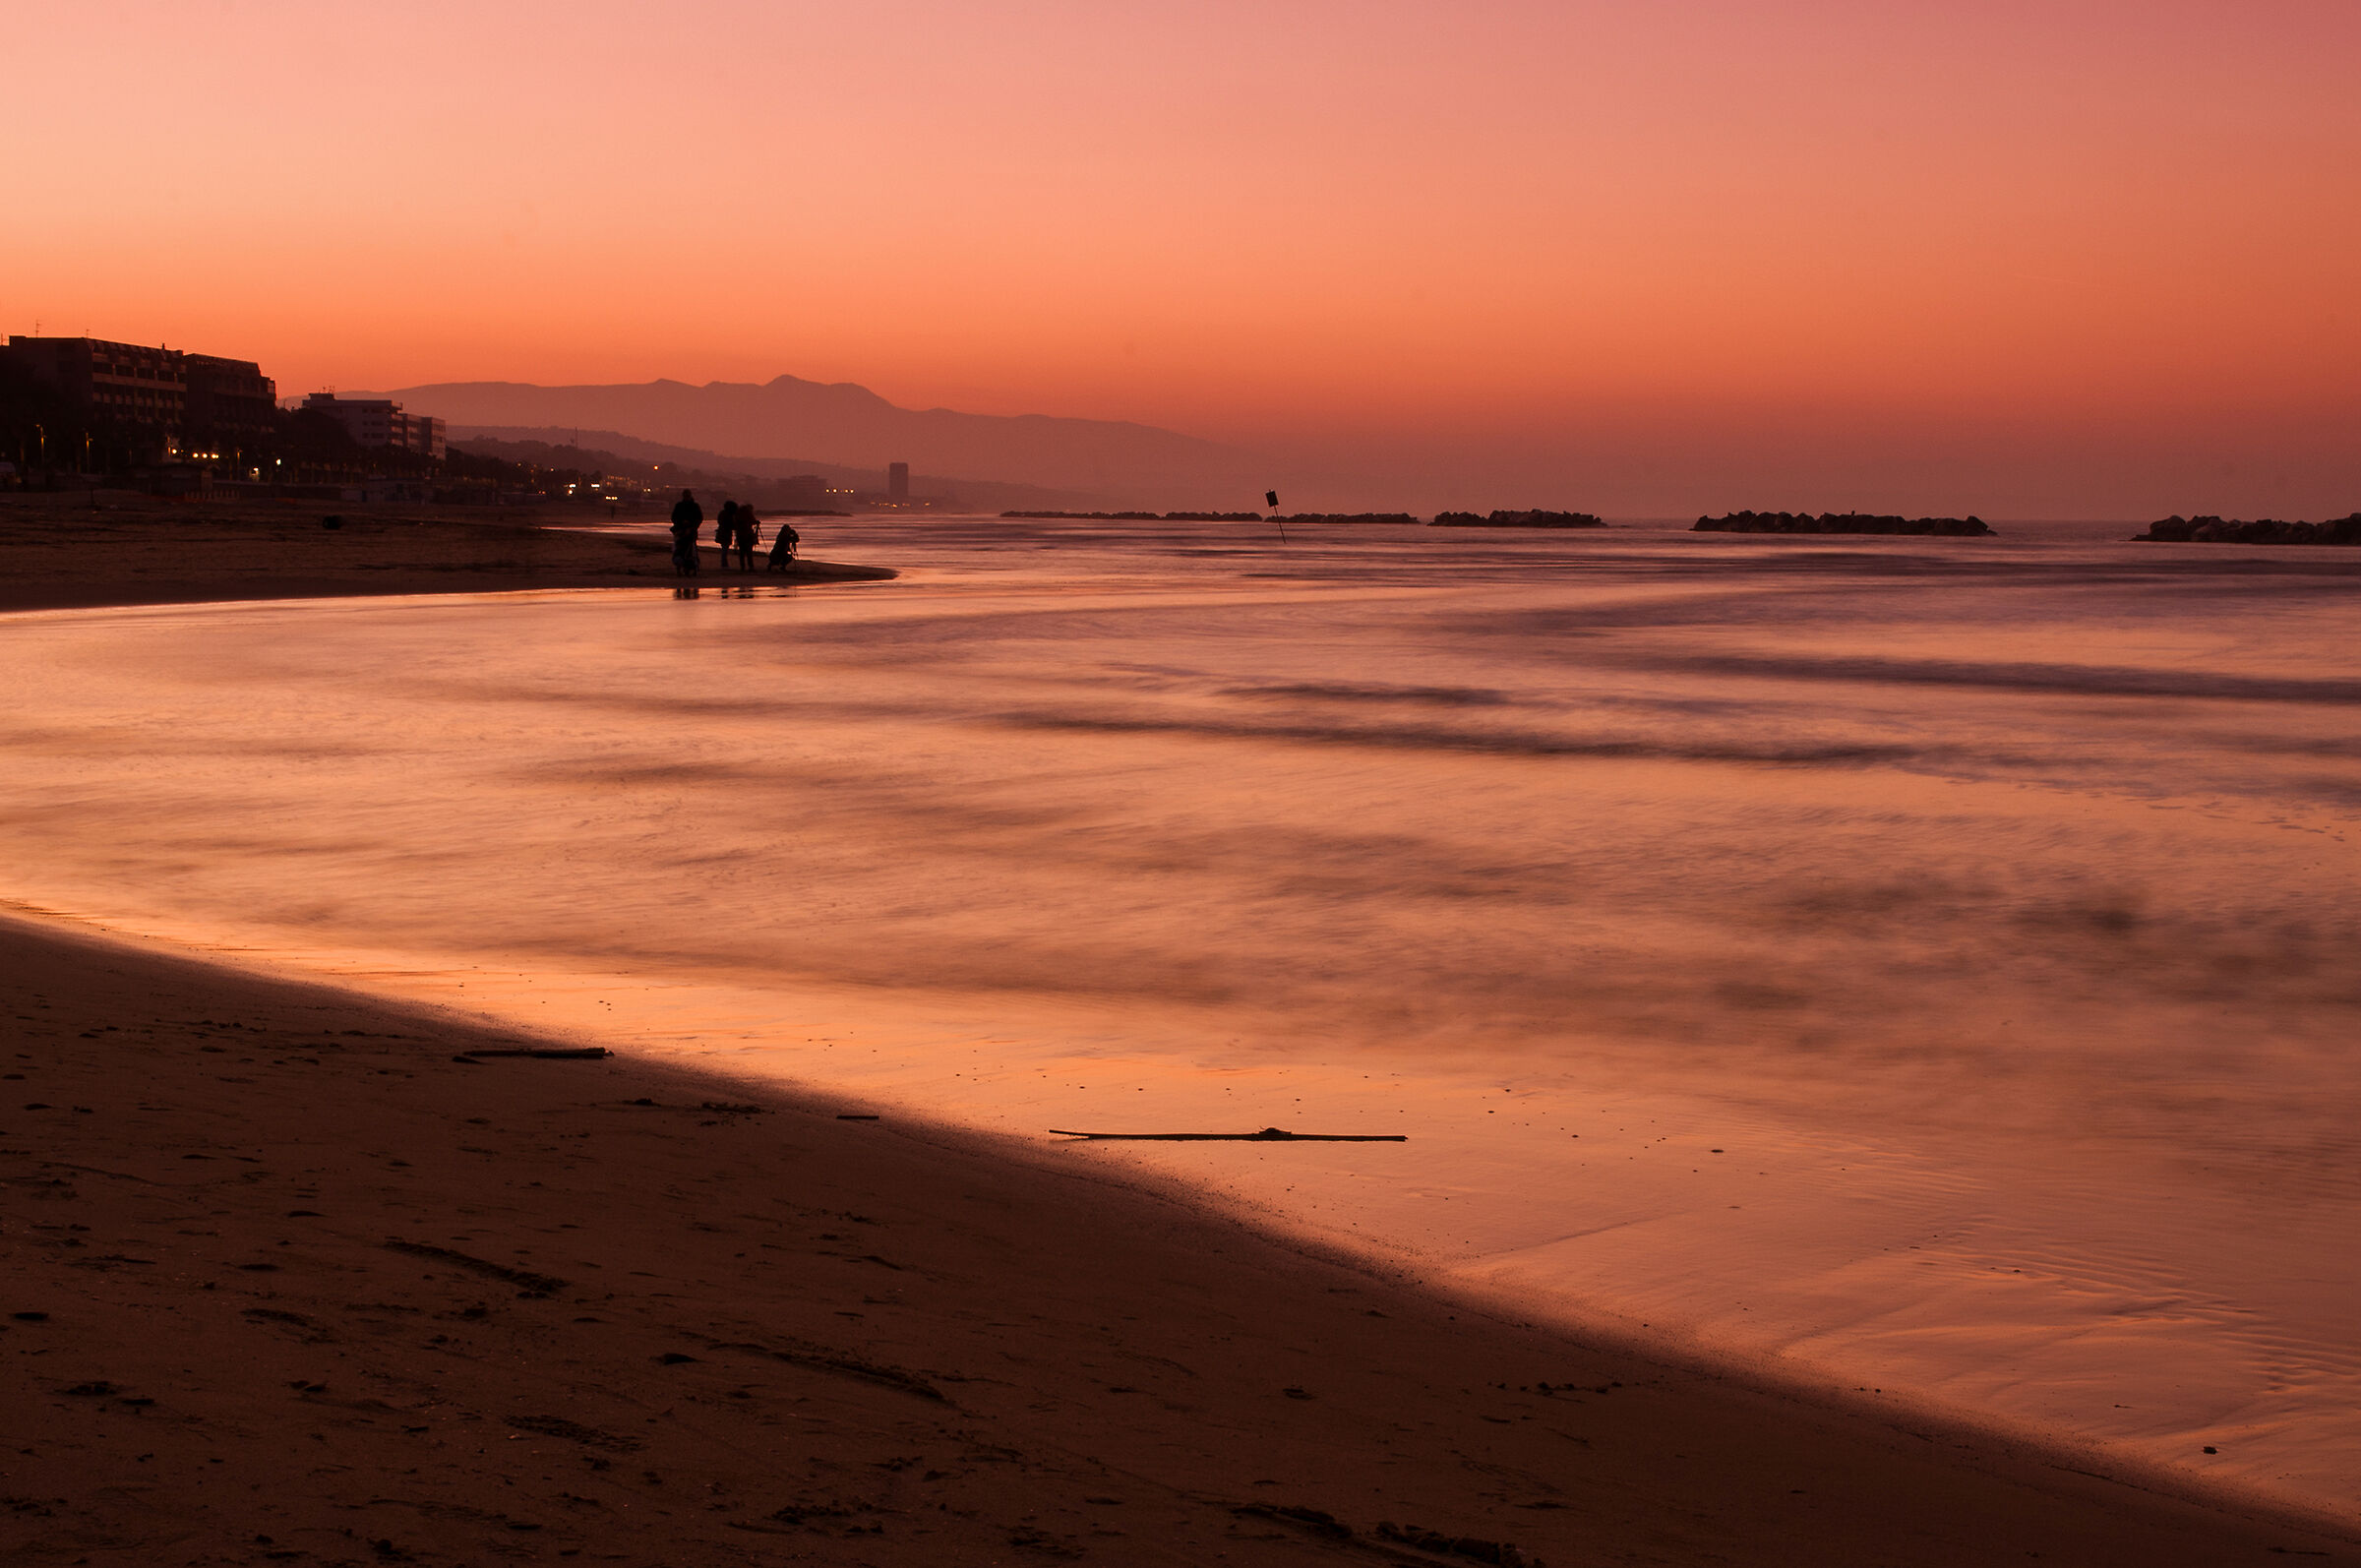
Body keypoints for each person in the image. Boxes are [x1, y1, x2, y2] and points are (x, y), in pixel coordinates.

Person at [669, 489, 702, 576]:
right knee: (682, 550)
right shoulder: (682, 506)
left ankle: (691, 568)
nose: (686, 497)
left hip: (689, 532)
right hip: (682, 532)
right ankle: (683, 568)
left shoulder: (693, 506)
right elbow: (674, 517)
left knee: (690, 551)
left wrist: (691, 526)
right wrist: (682, 523)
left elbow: (699, 518)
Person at [713, 501, 741, 571]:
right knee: (725, 549)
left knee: (724, 548)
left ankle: (724, 563)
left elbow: (720, 521)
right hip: (725, 533)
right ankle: (724, 564)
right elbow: (731, 524)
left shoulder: (722, 513)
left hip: (722, 532)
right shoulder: (729, 514)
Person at [735, 505, 760, 572]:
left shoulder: (737, 515)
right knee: (749, 552)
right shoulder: (748, 514)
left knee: (742, 552)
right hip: (748, 535)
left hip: (740, 535)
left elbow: (735, 524)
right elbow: (753, 521)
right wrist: (757, 522)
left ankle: (742, 566)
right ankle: (751, 566)